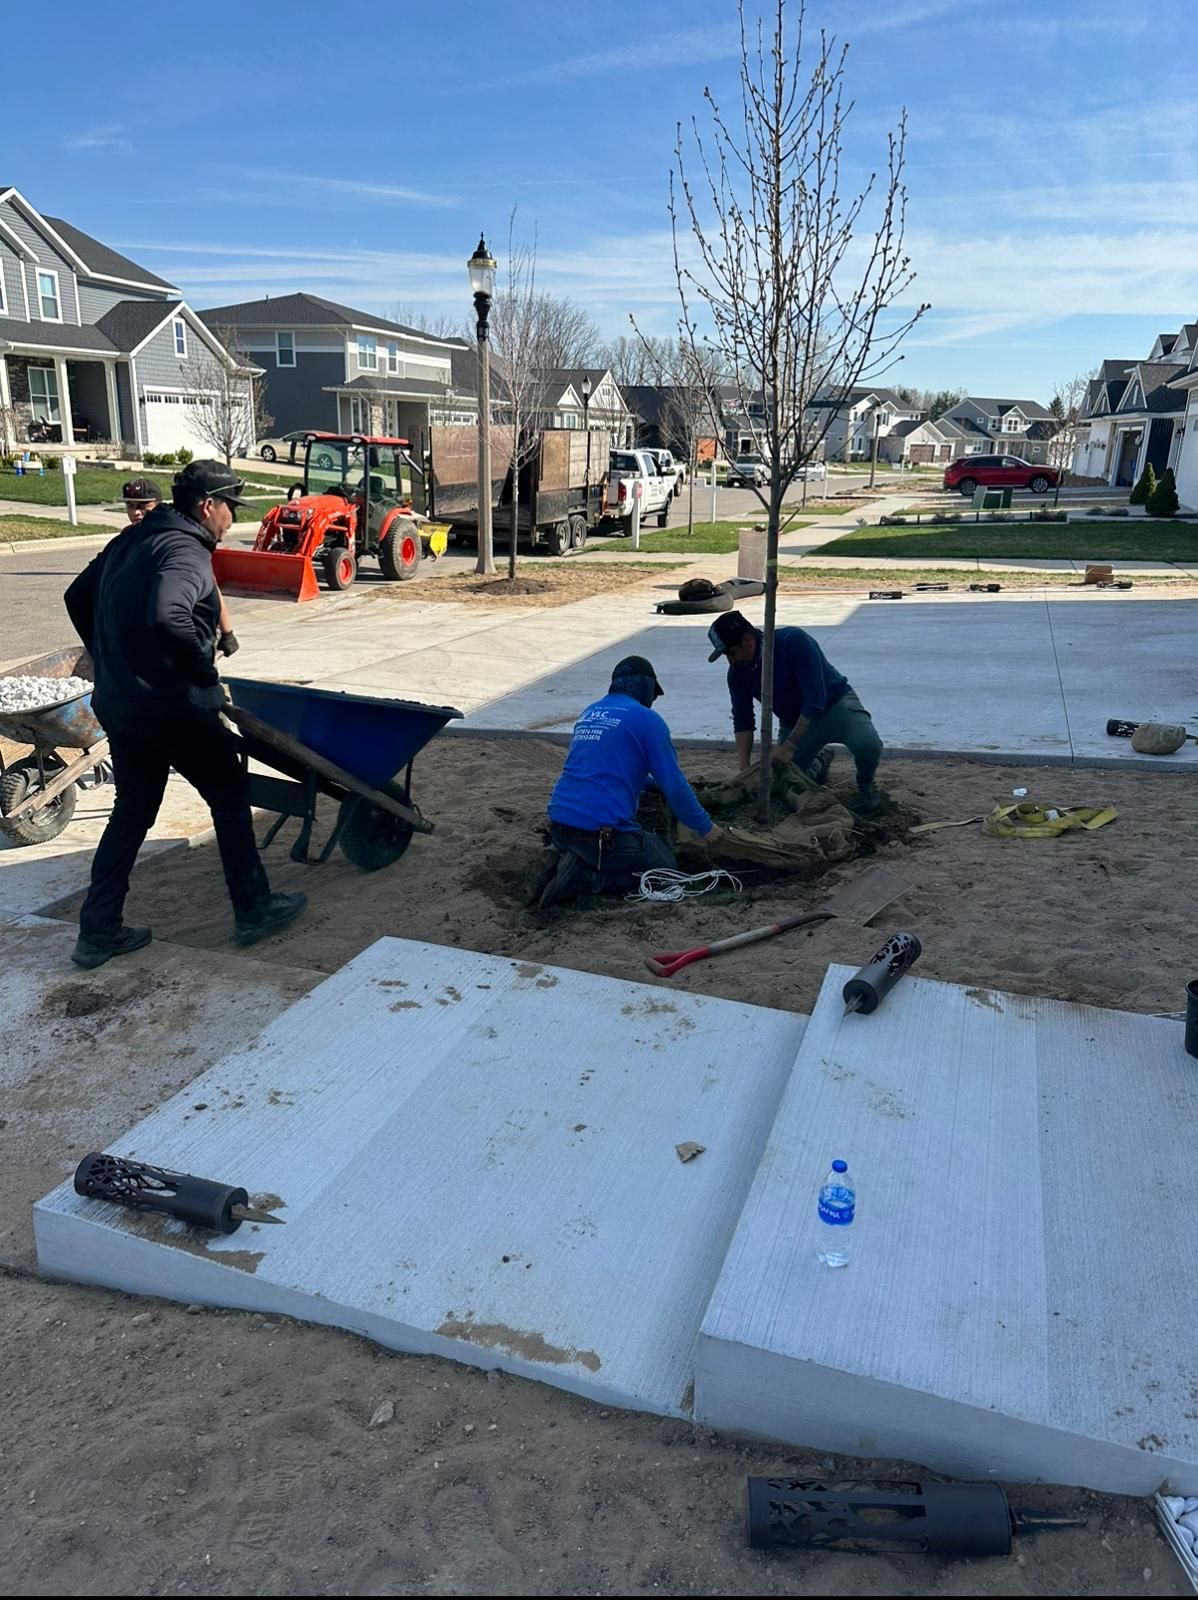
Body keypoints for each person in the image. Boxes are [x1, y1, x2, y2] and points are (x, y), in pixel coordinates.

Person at [63, 459, 306, 969]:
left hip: (122, 706)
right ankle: (254, 909)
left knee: (132, 810)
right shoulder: (184, 550)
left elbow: (77, 595)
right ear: (207, 505)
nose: (232, 520)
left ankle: (97, 930)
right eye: (230, 508)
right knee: (229, 794)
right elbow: (168, 614)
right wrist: (203, 678)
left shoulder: (133, 539)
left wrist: (111, 660)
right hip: (171, 707)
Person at [540, 655, 723, 907]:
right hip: (599, 835)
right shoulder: (648, 721)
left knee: (594, 844)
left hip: (559, 824)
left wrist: (649, 783)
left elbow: (601, 766)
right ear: (646, 686)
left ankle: (565, 857)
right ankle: (588, 879)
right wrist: (707, 829)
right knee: (663, 864)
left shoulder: (591, 713)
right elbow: (675, 787)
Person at [706, 610, 886, 811]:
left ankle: (866, 785)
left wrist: (789, 745)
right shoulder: (737, 675)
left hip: (835, 706)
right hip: (795, 722)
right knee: (781, 784)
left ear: (747, 640)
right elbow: (743, 721)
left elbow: (815, 700)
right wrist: (744, 769)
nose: (731, 661)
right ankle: (819, 762)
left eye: (731, 653)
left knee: (867, 744)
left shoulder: (793, 641)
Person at [123, 475, 239, 657]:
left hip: (181, 639)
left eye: (144, 506)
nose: (137, 512)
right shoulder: (126, 538)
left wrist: (227, 632)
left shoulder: (176, 542)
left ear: (158, 505)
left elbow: (210, 586)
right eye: (131, 506)